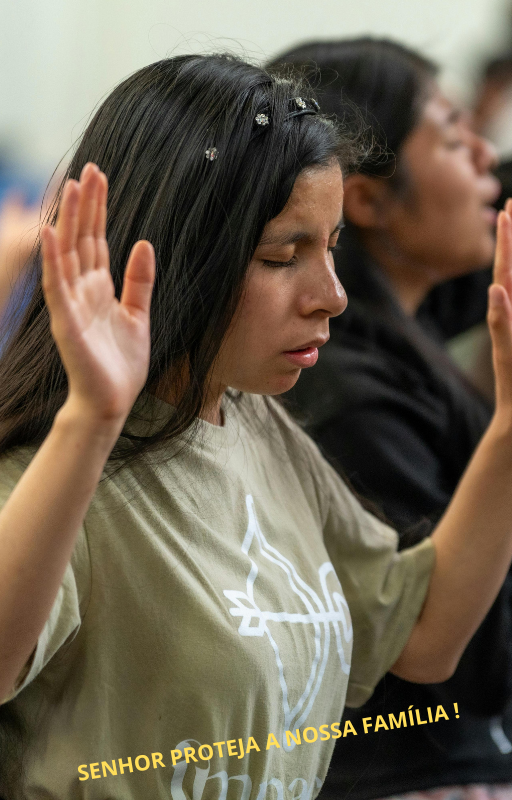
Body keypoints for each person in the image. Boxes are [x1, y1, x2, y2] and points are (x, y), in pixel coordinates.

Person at [2, 53, 512, 800]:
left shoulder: (254, 423)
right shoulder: (57, 466)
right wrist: (92, 418)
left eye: (331, 247)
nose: (332, 296)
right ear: (185, 255)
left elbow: (422, 636)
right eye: (284, 256)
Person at [269, 38, 512, 800]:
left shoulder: (399, 324)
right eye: (450, 133)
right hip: (411, 770)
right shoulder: (338, 389)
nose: (484, 153)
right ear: (366, 197)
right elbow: (457, 654)